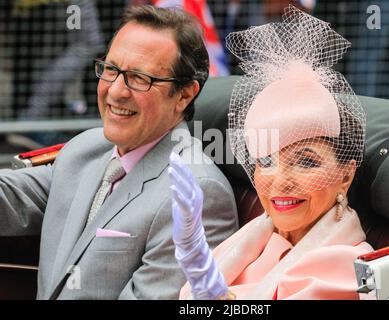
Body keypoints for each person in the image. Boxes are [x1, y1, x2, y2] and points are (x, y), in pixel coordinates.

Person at [0, 5, 238, 299]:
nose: (115, 92)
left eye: (139, 78)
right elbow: (10, 198)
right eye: (111, 69)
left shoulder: (195, 194)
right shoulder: (89, 146)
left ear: (184, 94)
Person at [169, 6, 373, 300]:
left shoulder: (348, 267)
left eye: (305, 160)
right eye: (266, 160)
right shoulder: (255, 236)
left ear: (346, 175)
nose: (280, 180)